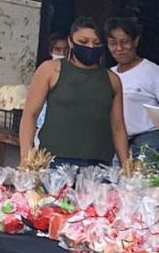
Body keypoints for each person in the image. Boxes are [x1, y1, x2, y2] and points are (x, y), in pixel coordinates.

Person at [20, 17, 129, 169]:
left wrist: (126, 165)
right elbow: (30, 115)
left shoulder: (112, 80)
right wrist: (26, 158)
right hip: (54, 161)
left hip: (99, 165)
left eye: (96, 43)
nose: (90, 47)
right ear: (70, 42)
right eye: (83, 42)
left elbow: (118, 126)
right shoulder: (51, 70)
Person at [105, 17, 159, 158]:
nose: (119, 48)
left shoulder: (151, 71)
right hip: (117, 140)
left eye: (124, 42)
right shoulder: (109, 74)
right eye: (113, 43)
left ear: (135, 41)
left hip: (149, 138)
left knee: (145, 179)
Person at [34, 34, 70, 145]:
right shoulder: (44, 72)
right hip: (43, 126)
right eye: (57, 49)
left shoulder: (74, 74)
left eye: (65, 50)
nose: (62, 54)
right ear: (51, 52)